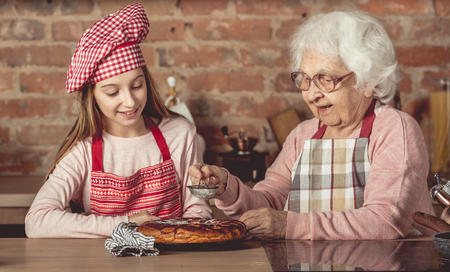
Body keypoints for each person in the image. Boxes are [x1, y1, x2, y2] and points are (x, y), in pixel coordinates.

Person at [189, 10, 435, 240]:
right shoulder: (303, 135)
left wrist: (290, 225)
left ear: (368, 81)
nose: (311, 94)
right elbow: (269, 204)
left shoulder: (394, 129)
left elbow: (385, 222)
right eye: (305, 80)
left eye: (326, 79)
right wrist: (225, 187)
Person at [26, 3, 212, 238]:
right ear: (92, 97)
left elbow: (198, 210)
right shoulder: (82, 151)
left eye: (137, 85)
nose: (130, 102)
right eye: (113, 92)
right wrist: (127, 223)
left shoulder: (180, 133)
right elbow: (37, 221)